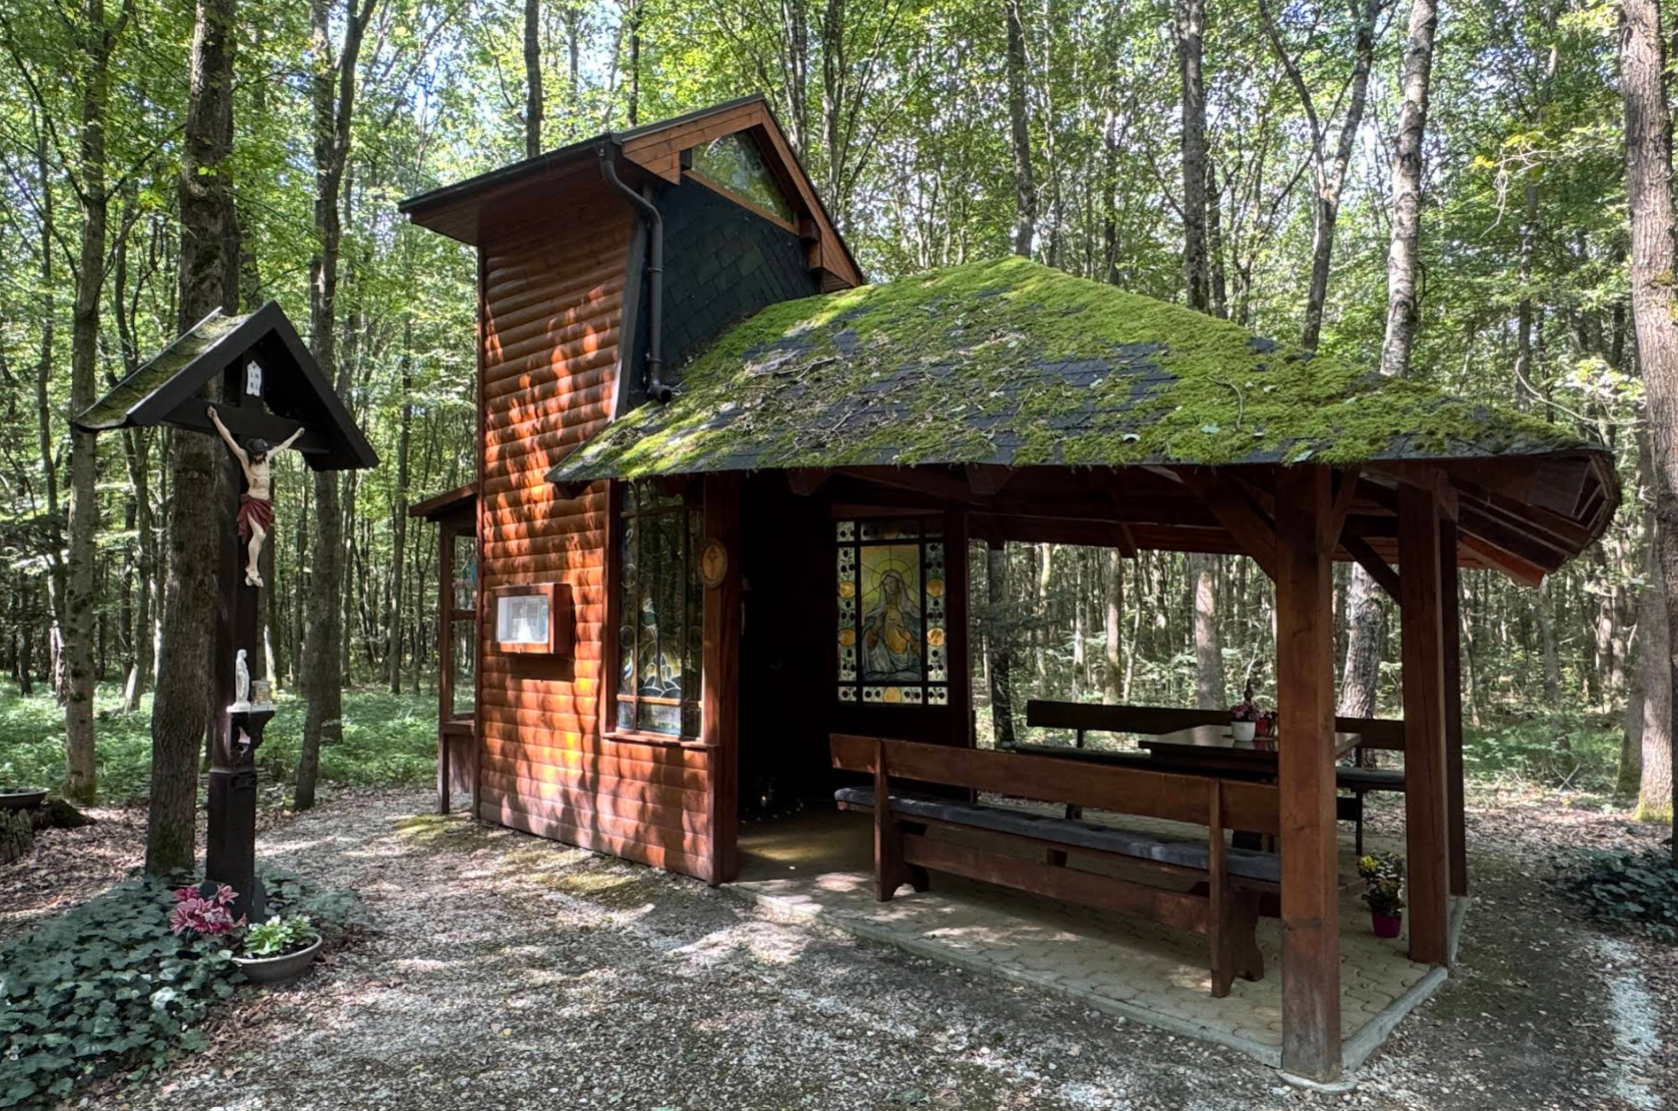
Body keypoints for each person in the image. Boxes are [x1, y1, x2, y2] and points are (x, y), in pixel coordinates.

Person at [207, 406, 304, 588]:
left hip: (265, 502)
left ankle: (252, 571)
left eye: (261, 452)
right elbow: (228, 438)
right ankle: (252, 569)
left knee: (260, 537)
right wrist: (216, 419)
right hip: (252, 502)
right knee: (259, 534)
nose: (259, 455)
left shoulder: (267, 457)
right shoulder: (245, 457)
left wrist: (296, 435)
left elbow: (283, 446)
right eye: (257, 453)